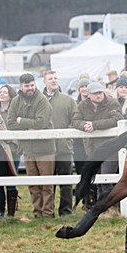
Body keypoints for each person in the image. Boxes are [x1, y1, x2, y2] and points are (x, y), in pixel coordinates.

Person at [7, 73, 56, 218]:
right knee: (33, 183)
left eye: (32, 85)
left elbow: (41, 123)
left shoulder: (42, 100)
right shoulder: (16, 101)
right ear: (21, 86)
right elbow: (10, 123)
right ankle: (37, 212)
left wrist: (21, 121)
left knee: (46, 183)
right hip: (28, 149)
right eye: (27, 85)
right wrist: (28, 126)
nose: (30, 88)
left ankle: (47, 212)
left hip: (44, 148)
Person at [72, 82, 123, 206]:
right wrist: (85, 125)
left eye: (100, 92)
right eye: (95, 93)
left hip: (111, 148)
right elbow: (75, 120)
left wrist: (95, 125)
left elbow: (117, 119)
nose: (99, 95)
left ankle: (111, 206)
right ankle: (103, 207)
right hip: (93, 149)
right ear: (89, 95)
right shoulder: (82, 106)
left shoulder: (112, 103)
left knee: (106, 179)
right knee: (98, 180)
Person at [43, 70, 78, 216]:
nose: (53, 80)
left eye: (55, 78)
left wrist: (66, 135)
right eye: (50, 78)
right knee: (47, 183)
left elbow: (75, 119)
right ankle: (47, 211)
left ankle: (66, 211)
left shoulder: (68, 100)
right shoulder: (39, 101)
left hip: (64, 147)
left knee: (66, 182)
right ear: (44, 82)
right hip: (45, 149)